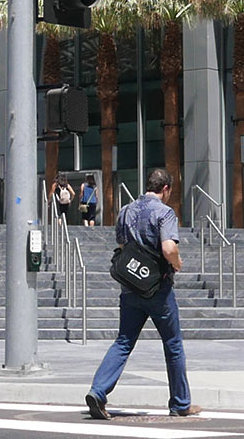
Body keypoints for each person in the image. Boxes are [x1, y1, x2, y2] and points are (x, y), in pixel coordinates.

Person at [85, 168, 201, 420]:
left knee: (123, 341)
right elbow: (168, 248)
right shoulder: (164, 212)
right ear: (166, 189)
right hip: (158, 290)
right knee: (173, 344)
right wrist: (177, 263)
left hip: (130, 286)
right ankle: (180, 403)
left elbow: (122, 245)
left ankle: (98, 391)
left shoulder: (126, 210)